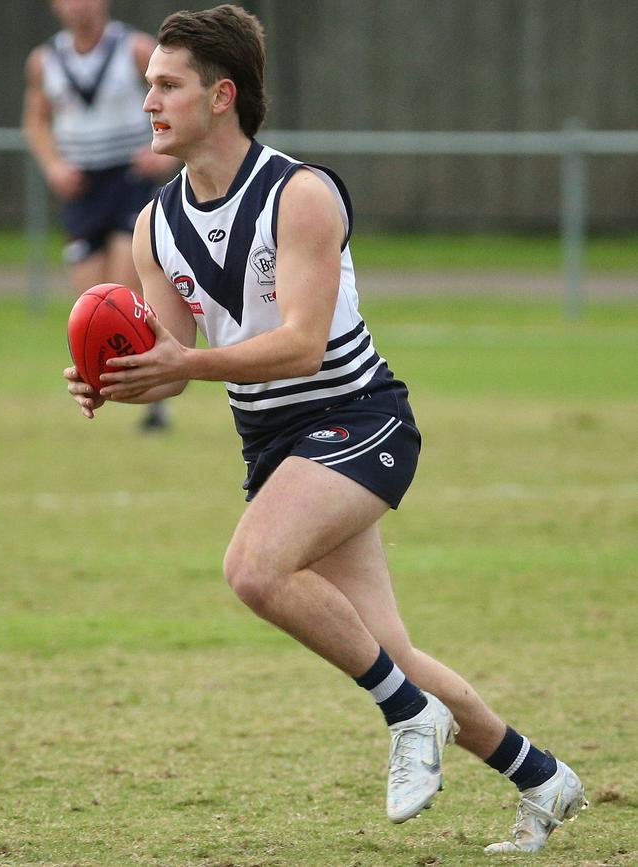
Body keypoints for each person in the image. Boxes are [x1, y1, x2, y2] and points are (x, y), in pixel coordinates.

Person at [63, 4, 587, 854]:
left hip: (359, 419)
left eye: (166, 85)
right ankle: (544, 778)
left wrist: (179, 368)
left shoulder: (300, 194)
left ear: (221, 95)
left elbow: (303, 345)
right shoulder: (156, 224)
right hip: (276, 448)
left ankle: (411, 719)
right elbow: (173, 355)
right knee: (390, 648)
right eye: (147, 84)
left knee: (253, 567)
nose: (148, 101)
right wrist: (111, 378)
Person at [23, 0, 176, 430]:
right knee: (90, 301)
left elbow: (174, 96)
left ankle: (155, 397)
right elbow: (36, 119)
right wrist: (53, 164)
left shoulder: (135, 48)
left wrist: (160, 155)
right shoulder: (44, 60)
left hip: (129, 180)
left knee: (124, 288)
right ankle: (114, 383)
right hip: (82, 188)